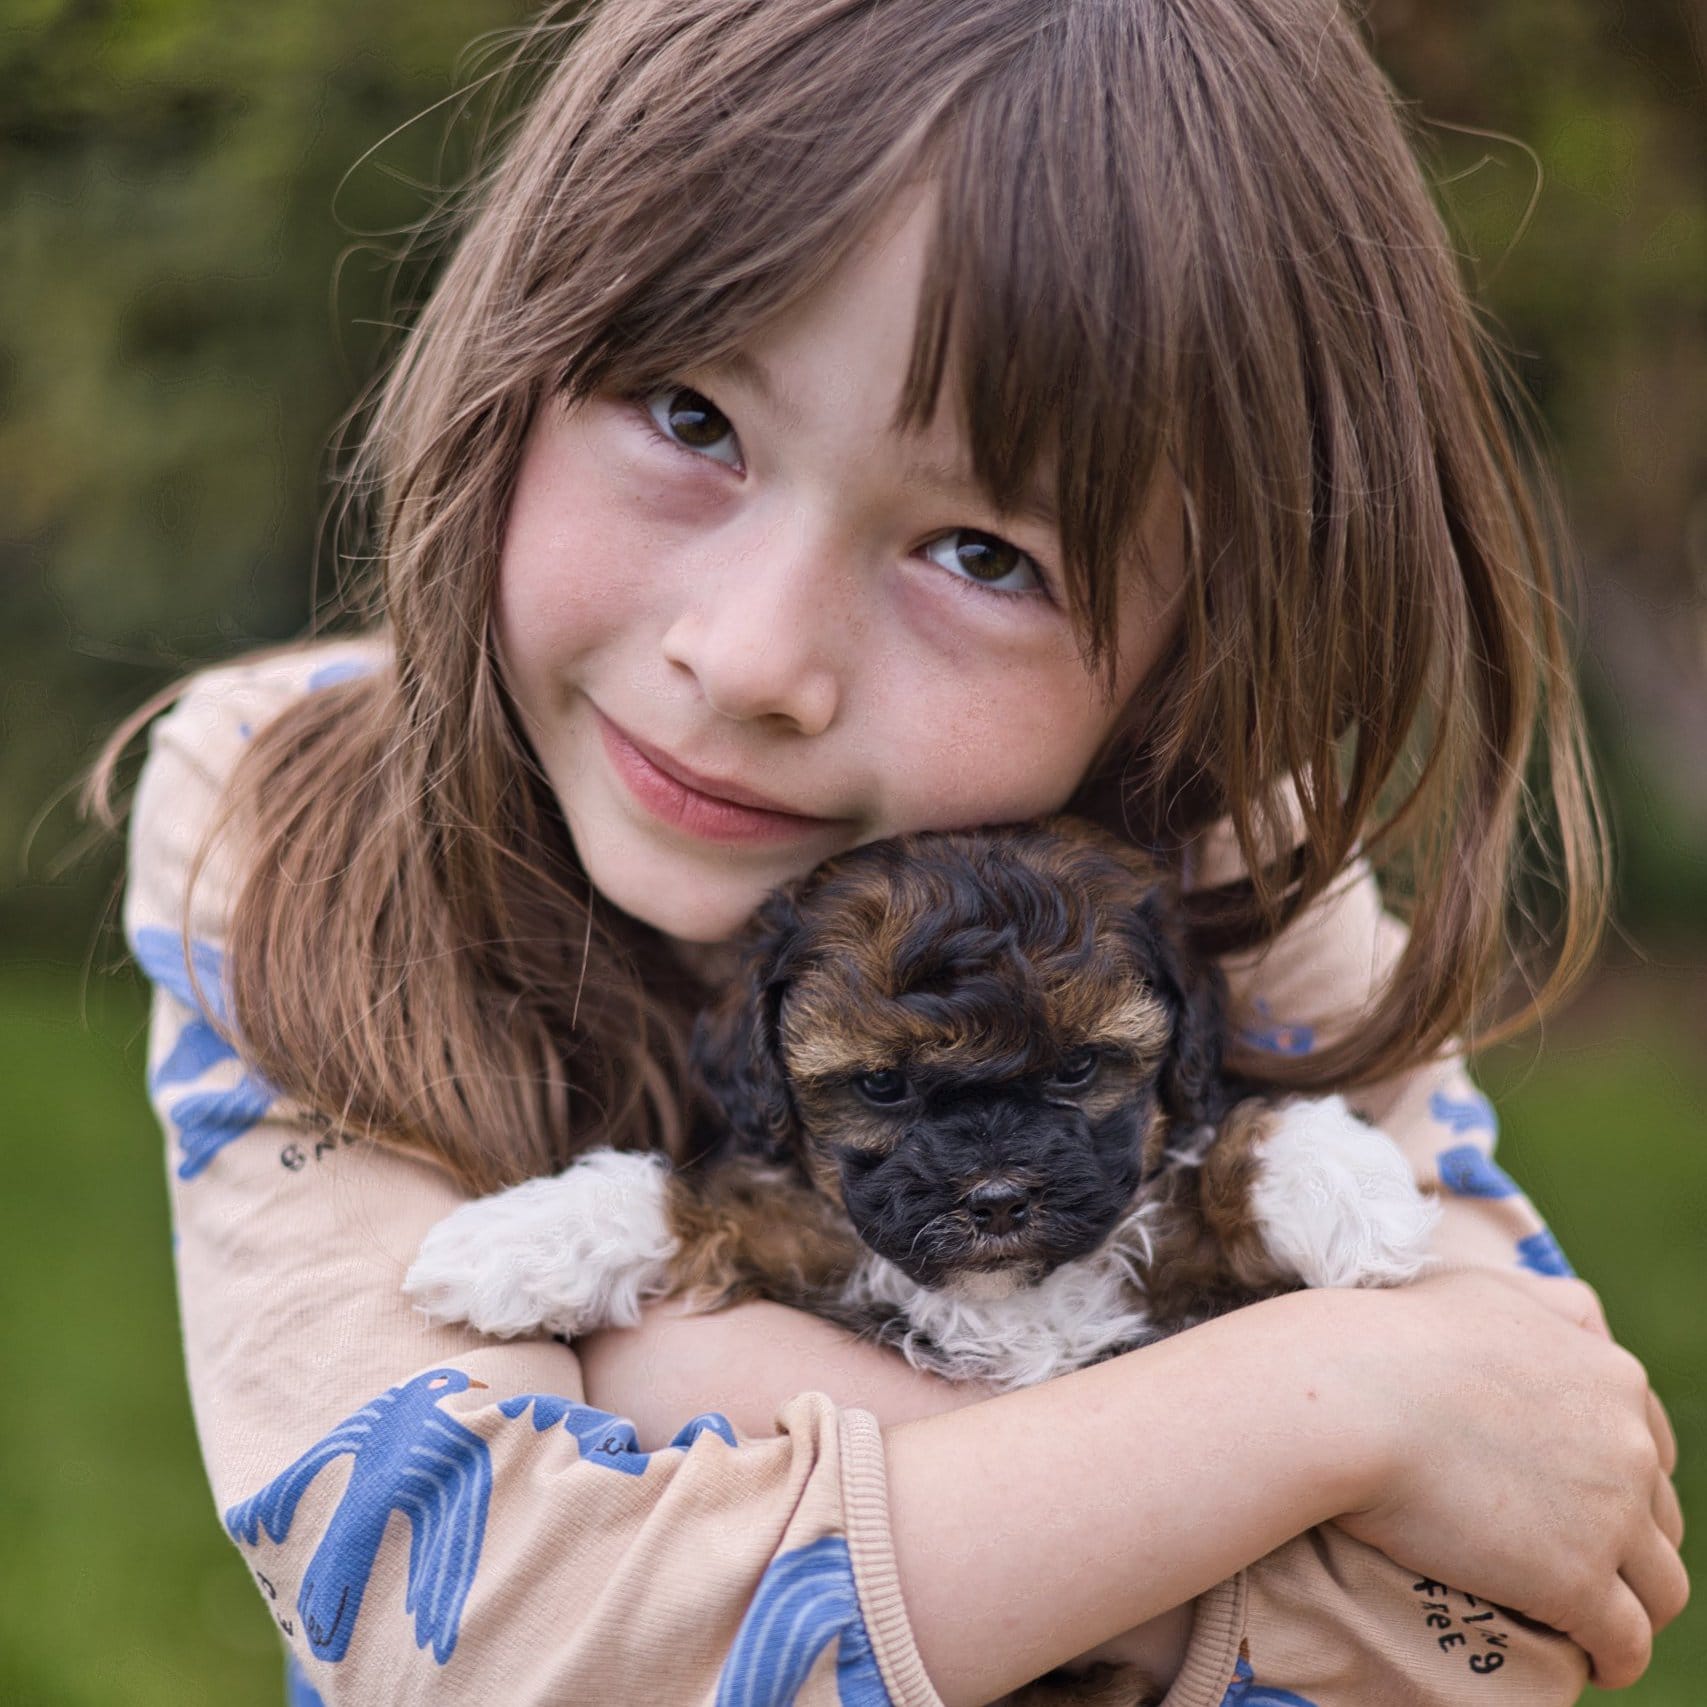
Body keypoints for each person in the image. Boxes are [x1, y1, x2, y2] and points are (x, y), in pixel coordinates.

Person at [97, 1, 1687, 1703]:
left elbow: (1517, 1618)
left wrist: (678, 1388)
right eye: (693, 417)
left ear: (1192, 655)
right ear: (509, 348)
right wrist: (1337, 1415)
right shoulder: (287, 818)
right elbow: (477, 1634)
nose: (754, 659)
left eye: (985, 552)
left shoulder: (1232, 873)